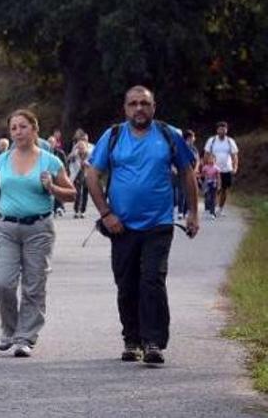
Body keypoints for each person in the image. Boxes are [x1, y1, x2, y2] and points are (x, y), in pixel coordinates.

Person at [85, 85, 199, 366]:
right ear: (125, 109)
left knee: (152, 280)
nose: (139, 109)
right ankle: (132, 339)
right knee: (127, 284)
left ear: (153, 107)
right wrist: (106, 213)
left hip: (158, 224)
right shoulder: (112, 136)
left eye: (144, 104)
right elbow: (92, 175)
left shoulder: (168, 135)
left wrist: (193, 212)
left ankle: (153, 342)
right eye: (133, 104)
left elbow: (186, 172)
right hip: (120, 226)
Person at [0, 109, 76, 358]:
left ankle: (26, 336)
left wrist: (52, 187)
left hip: (39, 229)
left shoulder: (50, 161)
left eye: (23, 127)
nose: (18, 132)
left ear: (35, 130)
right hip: (7, 228)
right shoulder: (1, 161)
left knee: (34, 286)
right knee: (2, 283)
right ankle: (10, 329)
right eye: (13, 128)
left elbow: (72, 194)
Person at [204, 122, 239, 217]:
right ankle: (211, 208)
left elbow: (234, 156)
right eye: (220, 129)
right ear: (217, 130)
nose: (222, 131)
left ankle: (220, 208)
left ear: (226, 130)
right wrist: (205, 167)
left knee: (224, 189)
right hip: (213, 170)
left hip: (226, 169)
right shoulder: (212, 140)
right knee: (214, 189)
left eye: (224, 129)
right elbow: (206, 154)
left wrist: (235, 167)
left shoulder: (230, 141)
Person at [67, 138, 94, 218]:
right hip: (77, 175)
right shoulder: (75, 154)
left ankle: (82, 211)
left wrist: (87, 164)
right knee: (77, 193)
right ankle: (76, 211)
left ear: (85, 147)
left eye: (82, 147)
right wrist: (71, 155)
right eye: (79, 147)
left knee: (85, 193)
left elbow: (94, 165)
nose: (81, 149)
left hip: (86, 175)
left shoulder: (90, 154)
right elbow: (68, 160)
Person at [201, 153, 221, 219]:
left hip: (214, 184)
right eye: (210, 159)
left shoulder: (216, 168)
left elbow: (218, 178)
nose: (211, 160)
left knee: (213, 198)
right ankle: (207, 208)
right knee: (207, 197)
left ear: (215, 160)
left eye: (213, 159)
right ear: (208, 160)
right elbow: (202, 176)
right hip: (207, 184)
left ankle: (212, 212)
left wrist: (218, 185)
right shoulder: (205, 168)